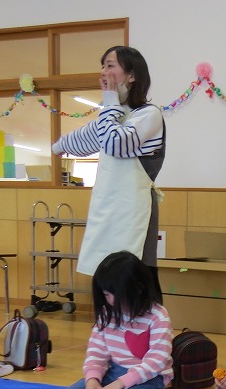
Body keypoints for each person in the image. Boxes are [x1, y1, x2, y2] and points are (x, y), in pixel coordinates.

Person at [51, 46, 165, 296]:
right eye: (102, 66)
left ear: (132, 75)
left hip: (134, 209)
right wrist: (59, 146)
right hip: (107, 206)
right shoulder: (113, 115)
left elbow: (115, 144)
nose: (104, 72)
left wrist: (110, 102)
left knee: (136, 275)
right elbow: (88, 136)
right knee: (105, 275)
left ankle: (149, 322)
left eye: (110, 66)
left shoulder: (149, 114)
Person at [51, 251, 173, 389]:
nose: (110, 301)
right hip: (114, 372)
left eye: (115, 294)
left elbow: (155, 363)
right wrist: (92, 379)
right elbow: (96, 352)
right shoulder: (107, 313)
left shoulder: (157, 316)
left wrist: (119, 385)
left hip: (149, 378)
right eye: (107, 294)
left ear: (138, 288)